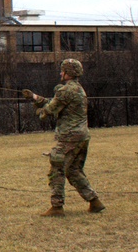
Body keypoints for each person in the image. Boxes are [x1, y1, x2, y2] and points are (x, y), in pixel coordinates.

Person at [23, 59, 105, 217]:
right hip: (82, 136)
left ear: (69, 73)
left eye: (63, 70)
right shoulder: (77, 89)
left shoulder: (65, 90)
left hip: (69, 137)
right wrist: (34, 97)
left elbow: (51, 109)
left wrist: (41, 112)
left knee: (56, 169)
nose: (60, 73)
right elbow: (55, 102)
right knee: (73, 171)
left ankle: (57, 206)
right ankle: (94, 202)